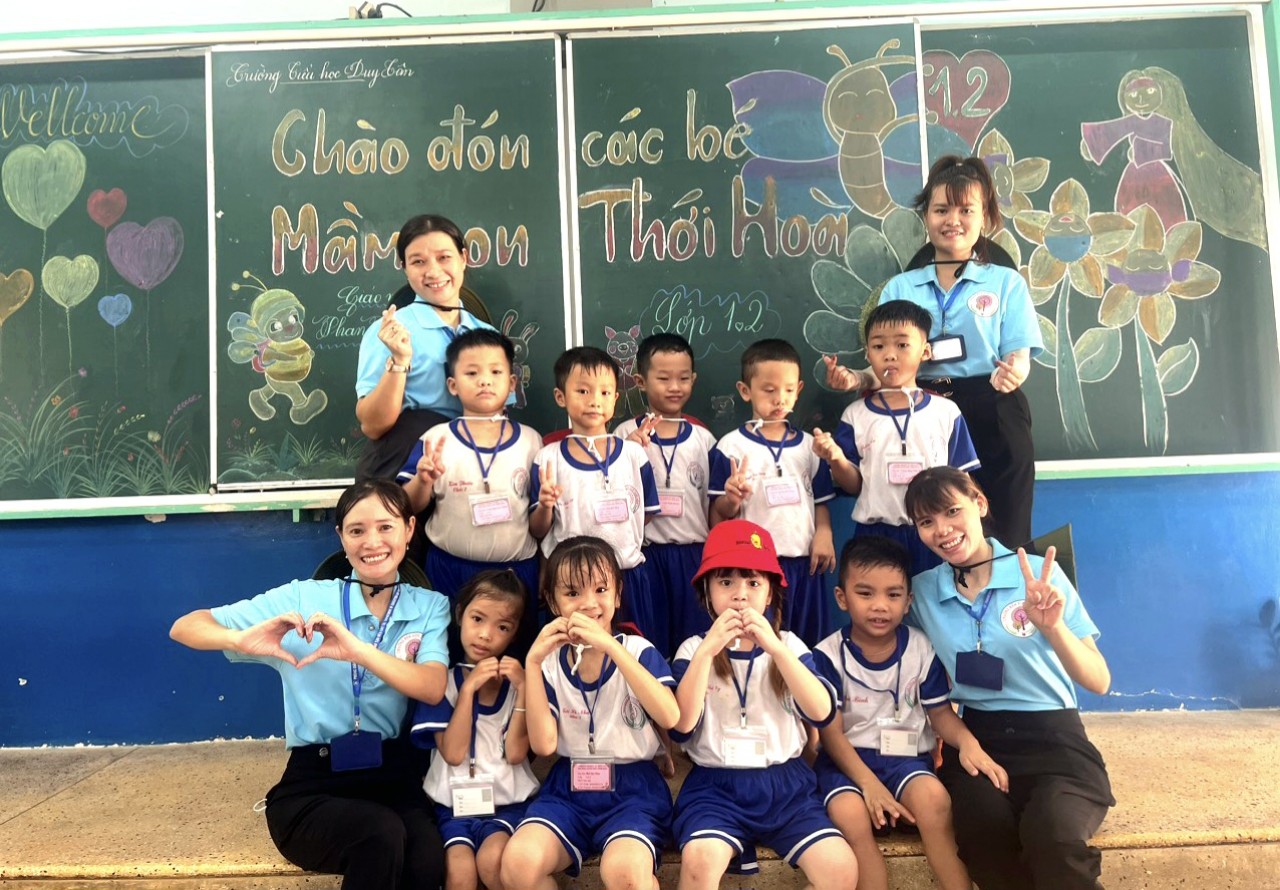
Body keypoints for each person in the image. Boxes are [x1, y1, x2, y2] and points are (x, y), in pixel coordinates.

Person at [169, 479, 450, 890]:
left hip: (392, 777)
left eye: (386, 527)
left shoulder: (429, 605)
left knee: (427, 860)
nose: (372, 542)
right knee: (379, 835)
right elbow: (186, 626)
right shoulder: (303, 599)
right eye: (357, 530)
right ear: (341, 537)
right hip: (314, 783)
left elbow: (432, 685)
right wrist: (238, 639)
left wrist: (357, 650)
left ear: (409, 529)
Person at [904, 467, 1114, 890]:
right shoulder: (922, 592)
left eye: (952, 511)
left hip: (1055, 740)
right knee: (982, 832)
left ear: (979, 504)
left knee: (1053, 837)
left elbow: (1099, 680)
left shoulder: (1037, 575)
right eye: (926, 521)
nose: (942, 530)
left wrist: (1053, 628)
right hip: (980, 740)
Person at [824, 156, 1043, 548]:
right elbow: (890, 366)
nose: (952, 220)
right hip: (923, 414)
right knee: (938, 531)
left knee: (1006, 534)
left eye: (966, 210)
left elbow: (1019, 358)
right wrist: (857, 378)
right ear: (926, 216)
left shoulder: (1006, 283)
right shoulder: (900, 288)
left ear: (984, 216)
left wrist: (1014, 372)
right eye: (941, 210)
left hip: (993, 407)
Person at [669, 519, 857, 890]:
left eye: (753, 583)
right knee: (699, 861)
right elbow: (681, 726)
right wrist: (708, 650)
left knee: (841, 870)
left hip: (786, 786)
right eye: (726, 582)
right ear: (707, 591)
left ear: (770, 594)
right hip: (715, 787)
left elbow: (821, 712)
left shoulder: (789, 645)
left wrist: (775, 648)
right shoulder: (693, 649)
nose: (740, 596)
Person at [812, 536, 1007, 890]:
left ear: (908, 602)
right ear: (842, 597)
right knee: (849, 816)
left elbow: (941, 714)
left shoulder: (921, 648)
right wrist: (869, 785)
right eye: (865, 593)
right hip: (846, 764)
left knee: (935, 801)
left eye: (893, 594)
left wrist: (968, 742)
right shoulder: (827, 656)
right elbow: (831, 735)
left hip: (905, 761)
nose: (880, 606)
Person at [500, 536, 680, 890]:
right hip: (569, 785)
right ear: (553, 602)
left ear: (618, 595)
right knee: (518, 865)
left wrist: (611, 646)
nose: (589, 603)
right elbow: (544, 745)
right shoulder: (549, 662)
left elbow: (670, 716)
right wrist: (532, 663)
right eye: (572, 593)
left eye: (601, 589)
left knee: (625, 874)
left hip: (633, 789)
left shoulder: (637, 650)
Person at [397, 329, 542, 655]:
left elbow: (539, 518)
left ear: (512, 382)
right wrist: (423, 480)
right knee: (447, 657)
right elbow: (408, 506)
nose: (485, 381)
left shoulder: (531, 441)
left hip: (516, 573)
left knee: (516, 663)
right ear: (453, 385)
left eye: (496, 372)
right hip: (450, 571)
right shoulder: (436, 438)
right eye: (472, 373)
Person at [812, 299, 980, 576]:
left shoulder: (946, 412)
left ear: (925, 351)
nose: (890, 355)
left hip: (935, 534)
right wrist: (836, 459)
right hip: (874, 534)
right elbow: (854, 486)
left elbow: (962, 481)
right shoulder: (855, 415)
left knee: (933, 599)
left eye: (902, 345)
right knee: (877, 601)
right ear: (868, 354)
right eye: (879, 346)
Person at [411, 570, 538, 890]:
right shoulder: (440, 683)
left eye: (502, 627)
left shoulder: (518, 685)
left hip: (506, 805)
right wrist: (467, 691)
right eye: (477, 619)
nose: (485, 635)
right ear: (459, 615)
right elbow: (453, 753)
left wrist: (525, 688)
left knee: (493, 861)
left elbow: (516, 753)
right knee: (460, 873)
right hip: (454, 807)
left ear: (515, 633)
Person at [708, 338, 836, 646]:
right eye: (769, 390)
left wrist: (824, 533)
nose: (780, 399)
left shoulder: (811, 446)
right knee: (758, 644)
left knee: (807, 643)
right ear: (745, 390)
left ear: (799, 390)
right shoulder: (730, 447)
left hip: (804, 564)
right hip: (755, 572)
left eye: (789, 390)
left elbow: (820, 502)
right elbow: (716, 518)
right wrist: (731, 500)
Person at [530, 347, 661, 641]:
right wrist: (545, 506)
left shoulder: (634, 455)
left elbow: (646, 515)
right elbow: (537, 530)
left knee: (631, 654)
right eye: (583, 391)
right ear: (560, 396)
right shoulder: (548, 458)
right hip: (572, 584)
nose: (594, 401)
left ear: (615, 398)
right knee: (572, 653)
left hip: (627, 577)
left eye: (604, 392)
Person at [355, 214, 499, 479]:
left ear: (463, 258)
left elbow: (499, 416)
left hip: (470, 469)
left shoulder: (489, 337)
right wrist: (399, 361)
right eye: (418, 262)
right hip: (403, 466)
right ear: (404, 267)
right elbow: (373, 426)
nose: (433, 272)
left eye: (444, 257)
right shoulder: (389, 332)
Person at [614, 333, 717, 655]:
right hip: (647, 555)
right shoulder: (624, 435)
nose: (675, 387)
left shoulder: (704, 439)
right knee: (651, 642)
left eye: (683, 378)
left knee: (695, 642)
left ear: (694, 380)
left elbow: (715, 505)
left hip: (693, 555)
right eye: (663, 378)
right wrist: (628, 451)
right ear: (640, 382)